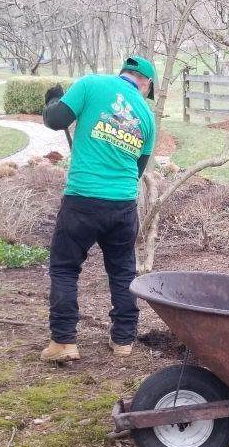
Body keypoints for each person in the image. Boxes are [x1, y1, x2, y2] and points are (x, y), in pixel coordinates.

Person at [38, 57, 158, 363]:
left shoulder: (91, 84)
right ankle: (123, 340)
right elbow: (138, 167)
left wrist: (53, 98)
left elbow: (55, 119)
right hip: (122, 206)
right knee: (122, 271)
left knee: (65, 268)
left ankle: (64, 342)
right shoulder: (146, 115)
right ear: (145, 82)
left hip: (82, 200)